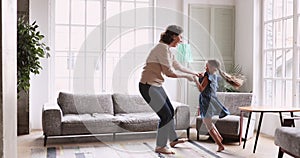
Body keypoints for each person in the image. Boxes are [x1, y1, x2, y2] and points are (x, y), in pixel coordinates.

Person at [139, 25, 199, 155]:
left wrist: (194, 73)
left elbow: (178, 66)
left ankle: (173, 140)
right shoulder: (162, 48)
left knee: (170, 111)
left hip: (156, 85)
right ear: (173, 36)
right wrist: (187, 77)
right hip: (148, 85)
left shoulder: (166, 49)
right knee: (165, 115)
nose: (181, 40)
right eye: (180, 36)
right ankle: (160, 146)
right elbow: (169, 72)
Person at [193, 59, 240, 152]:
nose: (205, 67)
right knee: (209, 123)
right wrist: (201, 77)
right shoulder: (214, 76)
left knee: (208, 125)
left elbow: (201, 88)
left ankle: (220, 145)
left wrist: (195, 79)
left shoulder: (208, 76)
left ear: (212, 68)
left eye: (207, 66)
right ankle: (219, 138)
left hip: (206, 102)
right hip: (211, 100)